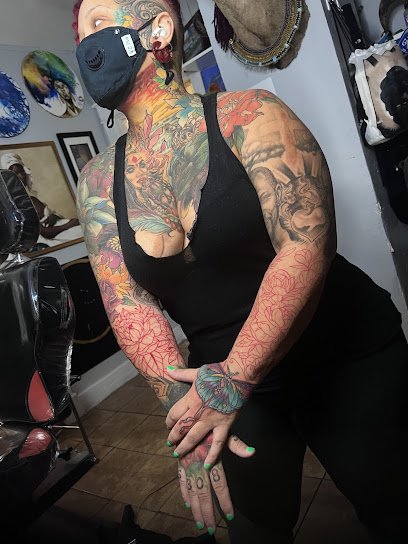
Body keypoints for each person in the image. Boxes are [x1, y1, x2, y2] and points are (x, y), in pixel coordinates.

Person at [74, 1, 408, 542]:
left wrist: (237, 376)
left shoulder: (250, 114)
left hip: (343, 352)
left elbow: (306, 246)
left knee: (396, 508)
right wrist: (185, 416)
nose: (85, 44)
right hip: (216, 380)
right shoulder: (96, 182)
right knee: (255, 530)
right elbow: (128, 304)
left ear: (158, 29)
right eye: (79, 32)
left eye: (97, 22)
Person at [0, 152, 82, 245]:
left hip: (58, 228)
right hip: (50, 238)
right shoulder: (17, 205)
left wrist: (52, 217)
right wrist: (69, 225)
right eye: (16, 173)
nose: (21, 176)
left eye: (22, 171)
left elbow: (48, 218)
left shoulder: (31, 198)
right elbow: (44, 232)